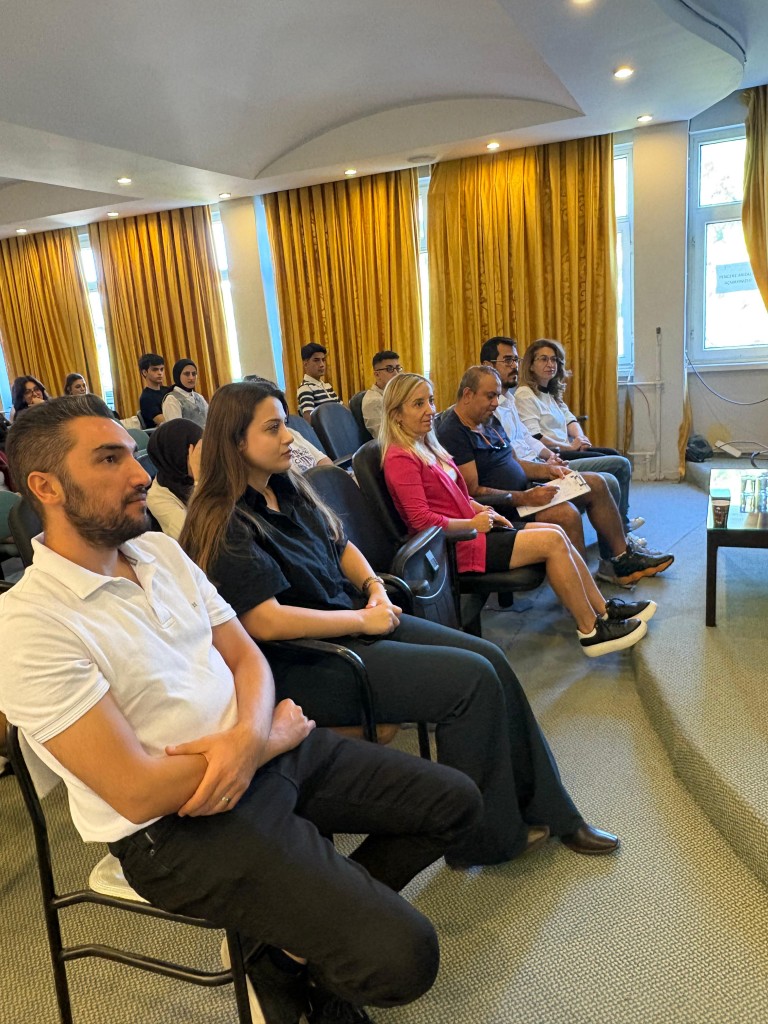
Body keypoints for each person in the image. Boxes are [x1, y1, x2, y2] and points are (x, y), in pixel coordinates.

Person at [1, 395, 483, 1024]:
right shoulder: (30, 624)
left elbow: (247, 657)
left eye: (130, 455)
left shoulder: (161, 553)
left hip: (264, 754)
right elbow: (138, 793)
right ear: (46, 487)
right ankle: (310, 939)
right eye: (109, 459)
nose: (141, 473)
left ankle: (283, 948)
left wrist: (253, 739)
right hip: (175, 827)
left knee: (456, 802)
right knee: (403, 958)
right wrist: (268, 739)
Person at [181, 377, 623, 871]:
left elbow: (341, 545)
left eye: (286, 424)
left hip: (354, 623)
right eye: (273, 429)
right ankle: (484, 837)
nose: (289, 437)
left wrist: (373, 586)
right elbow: (265, 622)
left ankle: (554, 812)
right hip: (309, 660)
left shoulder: (283, 487)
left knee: (491, 658)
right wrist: (362, 618)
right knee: (471, 681)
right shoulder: (224, 520)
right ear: (236, 442)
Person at [381, 373, 652, 655]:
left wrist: (481, 508)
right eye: (418, 404)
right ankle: (591, 630)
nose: (430, 410)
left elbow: (458, 495)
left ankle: (603, 610)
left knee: (558, 532)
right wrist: (472, 522)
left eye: (431, 400)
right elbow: (421, 522)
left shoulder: (426, 445)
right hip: (458, 545)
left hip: (475, 529)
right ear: (396, 414)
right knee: (552, 541)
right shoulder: (400, 457)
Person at [438, 366, 674, 587]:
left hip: (526, 492)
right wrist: (526, 497)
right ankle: (585, 592)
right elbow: (473, 491)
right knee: (566, 514)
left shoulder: (489, 420)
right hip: (504, 508)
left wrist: (548, 470)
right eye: (490, 396)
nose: (495, 403)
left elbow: (515, 462)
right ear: (467, 394)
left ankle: (621, 560)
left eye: (497, 396)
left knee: (595, 483)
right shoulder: (454, 432)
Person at [514, 339, 645, 540]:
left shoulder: (551, 392)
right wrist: (570, 446)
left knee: (613, 455)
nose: (550, 364)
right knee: (619, 465)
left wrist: (580, 438)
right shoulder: (525, 394)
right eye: (543, 359)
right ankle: (622, 526)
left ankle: (619, 521)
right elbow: (535, 437)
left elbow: (570, 419)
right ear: (530, 365)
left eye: (554, 360)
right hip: (555, 454)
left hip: (567, 448)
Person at [146, 419, 204, 540]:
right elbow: (195, 540)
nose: (203, 458)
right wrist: (199, 482)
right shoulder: (157, 499)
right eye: (197, 453)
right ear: (178, 457)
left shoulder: (198, 476)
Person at [361, 350, 402, 437]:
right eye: (389, 369)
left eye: (398, 368)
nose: (396, 373)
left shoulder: (396, 394)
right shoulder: (373, 401)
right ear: (377, 375)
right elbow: (384, 436)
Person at [297, 344, 341, 423]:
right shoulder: (305, 389)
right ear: (305, 364)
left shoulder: (327, 386)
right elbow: (310, 422)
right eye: (316, 360)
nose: (322, 365)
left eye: (323, 360)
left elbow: (342, 410)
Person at [162, 359, 209, 427]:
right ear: (178, 375)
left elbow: (210, 420)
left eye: (194, 374)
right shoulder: (171, 399)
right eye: (187, 374)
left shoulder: (199, 397)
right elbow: (176, 428)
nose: (191, 378)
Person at [138, 353, 167, 427]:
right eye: (155, 369)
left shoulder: (168, 390)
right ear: (145, 372)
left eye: (161, 369)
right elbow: (164, 422)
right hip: (163, 432)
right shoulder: (146, 398)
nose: (160, 373)